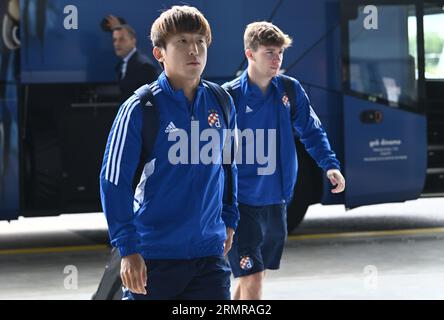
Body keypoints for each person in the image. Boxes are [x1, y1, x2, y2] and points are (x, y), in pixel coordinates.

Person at [99, 5, 239, 300]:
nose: (194, 50)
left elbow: (228, 165)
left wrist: (229, 219)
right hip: (155, 259)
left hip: (209, 260)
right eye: (182, 42)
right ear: (159, 53)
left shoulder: (222, 101)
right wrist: (128, 249)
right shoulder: (140, 108)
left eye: (200, 41)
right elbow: (114, 182)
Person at [223, 21, 346, 300]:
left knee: (253, 274)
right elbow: (211, 155)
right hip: (241, 205)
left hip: (277, 201)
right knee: (252, 278)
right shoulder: (229, 97)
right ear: (250, 54)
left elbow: (312, 131)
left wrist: (330, 165)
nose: (277, 59)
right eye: (269, 52)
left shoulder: (290, 90)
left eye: (280, 52)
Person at [111, 23, 159, 102]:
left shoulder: (145, 66)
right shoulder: (120, 66)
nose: (117, 44)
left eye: (121, 39)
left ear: (133, 41)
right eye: (114, 40)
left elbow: (150, 102)